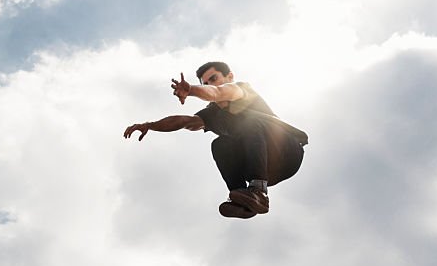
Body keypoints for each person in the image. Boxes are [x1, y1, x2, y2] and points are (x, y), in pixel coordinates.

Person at [123, 61, 307, 218]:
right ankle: (243, 199)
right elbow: (186, 122)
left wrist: (192, 90)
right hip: (268, 168)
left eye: (213, 78)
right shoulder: (212, 113)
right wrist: (150, 125)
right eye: (205, 83)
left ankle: (258, 192)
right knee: (220, 144)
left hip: (287, 151)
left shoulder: (240, 90)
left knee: (249, 122)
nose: (210, 84)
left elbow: (218, 92)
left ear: (229, 76)